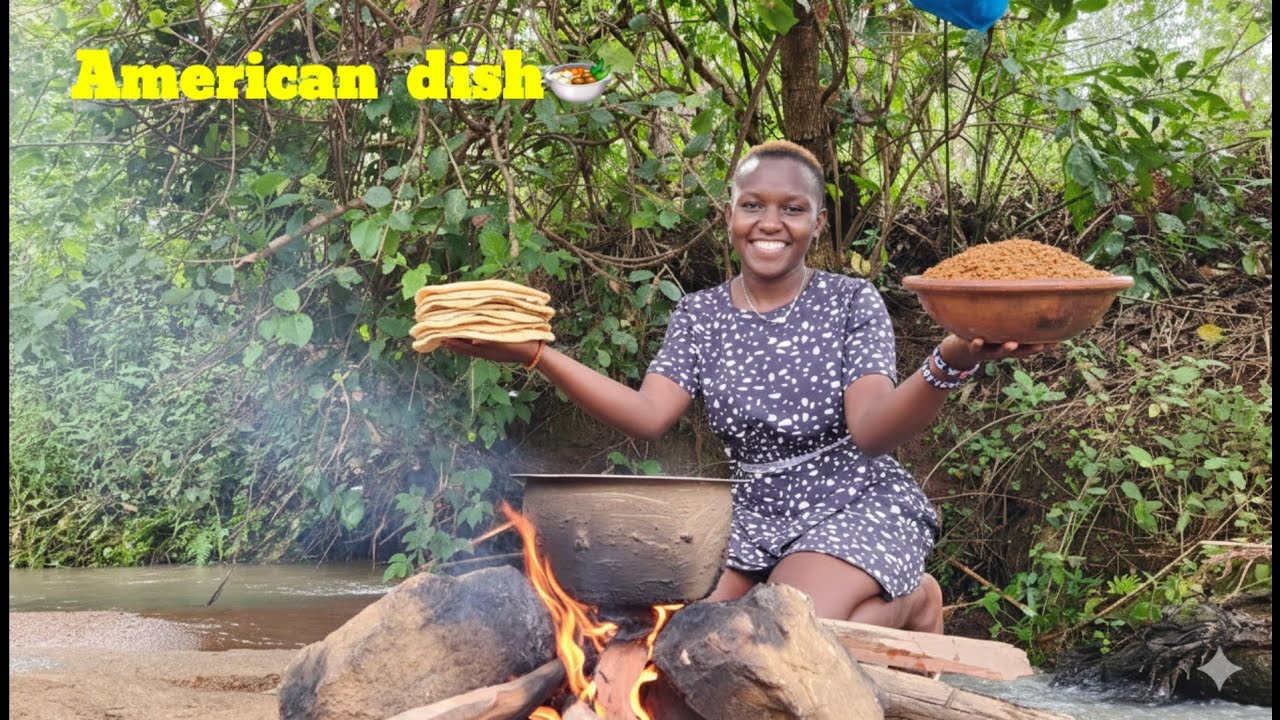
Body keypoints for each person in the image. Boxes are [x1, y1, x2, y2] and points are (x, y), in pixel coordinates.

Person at [441, 140, 1052, 633]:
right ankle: (849, 596)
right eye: (753, 204)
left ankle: (915, 600)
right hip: (751, 513)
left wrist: (952, 357)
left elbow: (871, 433)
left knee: (787, 628)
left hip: (851, 500)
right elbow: (649, 414)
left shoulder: (851, 301)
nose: (771, 223)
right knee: (688, 633)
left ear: (817, 222)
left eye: (793, 209)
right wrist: (538, 355)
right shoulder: (699, 314)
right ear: (729, 213)